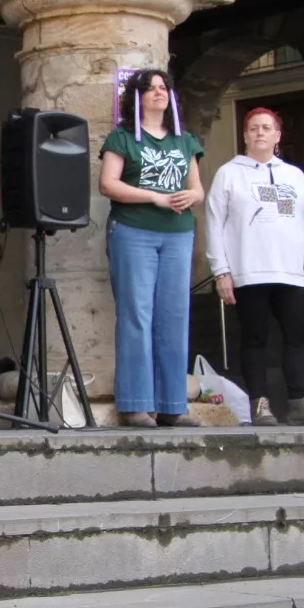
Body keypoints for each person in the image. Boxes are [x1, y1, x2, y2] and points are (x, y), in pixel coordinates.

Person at [205, 107, 304, 426]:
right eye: (254, 128)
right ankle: (259, 402)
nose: (260, 133)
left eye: (267, 128)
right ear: (245, 135)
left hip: (291, 273)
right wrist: (220, 271)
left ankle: (299, 400)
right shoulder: (229, 173)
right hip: (248, 272)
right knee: (254, 338)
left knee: (297, 337)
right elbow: (213, 224)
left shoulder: (294, 176)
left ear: (278, 135)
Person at [98, 68, 204, 428]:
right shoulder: (122, 137)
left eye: (163, 88)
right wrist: (156, 198)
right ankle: (135, 404)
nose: (158, 93)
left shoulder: (184, 140)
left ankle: (173, 404)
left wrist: (192, 195)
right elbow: (108, 185)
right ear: (137, 97)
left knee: (174, 316)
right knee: (137, 316)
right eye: (150, 88)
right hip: (133, 230)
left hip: (178, 233)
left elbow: (198, 189)